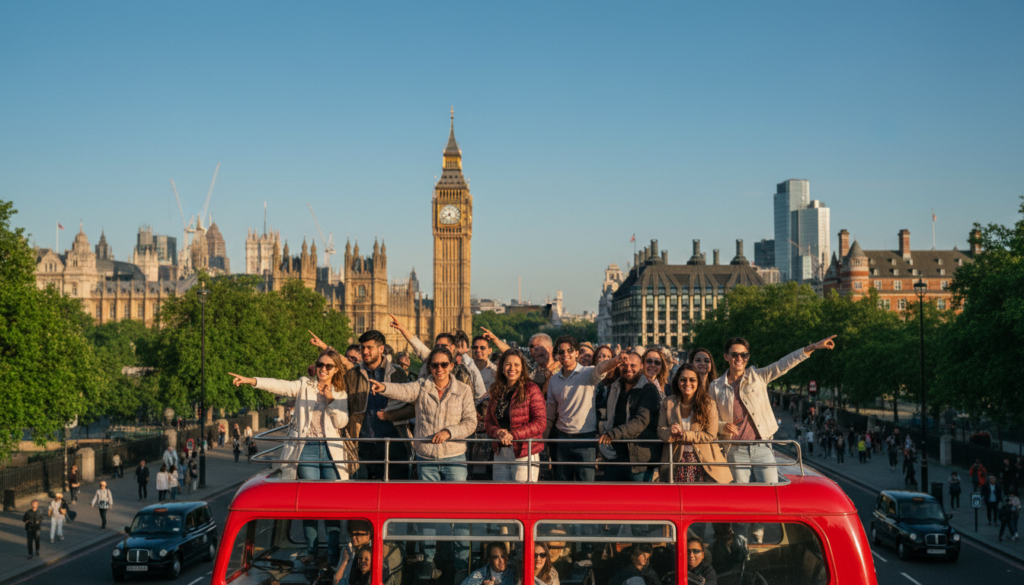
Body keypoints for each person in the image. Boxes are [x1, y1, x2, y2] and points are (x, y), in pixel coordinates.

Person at [230, 348, 350, 566]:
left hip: (331, 450)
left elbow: (341, 423)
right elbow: (281, 385)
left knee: (332, 507)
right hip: (307, 450)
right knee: (309, 505)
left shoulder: (341, 393)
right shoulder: (305, 385)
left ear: (336, 370)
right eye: (320, 365)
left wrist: (331, 399)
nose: (322, 369)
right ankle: (312, 553)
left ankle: (333, 555)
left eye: (328, 366)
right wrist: (252, 380)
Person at [712, 335, 836, 484]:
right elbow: (710, 419)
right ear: (726, 357)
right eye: (734, 354)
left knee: (771, 492)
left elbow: (783, 364)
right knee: (741, 496)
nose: (739, 358)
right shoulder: (716, 387)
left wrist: (813, 347)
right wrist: (722, 426)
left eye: (743, 354)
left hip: (762, 447)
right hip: (735, 450)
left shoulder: (758, 376)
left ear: (748, 357)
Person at [309, 328, 414, 480]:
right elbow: (334, 377)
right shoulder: (353, 374)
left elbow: (411, 408)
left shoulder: (398, 373)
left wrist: (391, 415)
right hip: (362, 446)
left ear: (381, 349)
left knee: (395, 493)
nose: (365, 352)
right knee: (362, 495)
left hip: (394, 443)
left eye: (369, 348)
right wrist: (316, 373)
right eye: (362, 348)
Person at [369, 346, 477, 480]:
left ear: (451, 366)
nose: (439, 369)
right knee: (428, 500)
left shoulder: (463, 390)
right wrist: (384, 387)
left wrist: (449, 432)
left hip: (454, 457)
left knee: (455, 499)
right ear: (429, 367)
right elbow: (404, 390)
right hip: (426, 457)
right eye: (434, 365)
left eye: (443, 365)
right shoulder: (421, 386)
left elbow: (471, 422)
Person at [543, 336, 621, 482]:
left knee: (586, 486)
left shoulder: (587, 372)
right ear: (557, 355)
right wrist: (542, 440)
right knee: (562, 484)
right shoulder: (554, 379)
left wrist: (616, 361)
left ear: (577, 353)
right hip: (562, 438)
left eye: (569, 350)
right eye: (561, 352)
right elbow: (550, 412)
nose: (565, 354)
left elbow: (602, 367)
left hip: (586, 439)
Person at [658, 364, 731, 484]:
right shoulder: (668, 402)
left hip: (704, 462)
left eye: (692, 380)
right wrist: (670, 431)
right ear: (677, 382)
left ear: (698, 382)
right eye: (683, 380)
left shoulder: (708, 404)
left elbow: (710, 435)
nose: (687, 383)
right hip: (676, 462)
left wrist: (684, 435)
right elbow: (660, 430)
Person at [484, 348, 547, 482]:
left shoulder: (532, 389)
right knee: (502, 497)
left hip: (524, 451)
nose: (512, 368)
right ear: (502, 367)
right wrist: (498, 432)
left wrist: (513, 434)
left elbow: (540, 423)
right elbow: (488, 422)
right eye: (508, 364)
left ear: (522, 368)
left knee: (522, 495)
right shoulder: (496, 390)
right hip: (501, 451)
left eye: (516, 365)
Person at [334, 520, 404, 585]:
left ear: (368, 535)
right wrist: (345, 560)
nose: (353, 537)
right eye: (351, 534)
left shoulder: (375, 550)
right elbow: (336, 580)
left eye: (358, 534)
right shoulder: (347, 550)